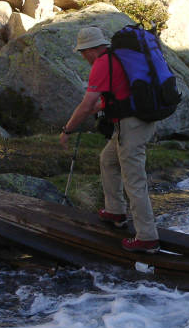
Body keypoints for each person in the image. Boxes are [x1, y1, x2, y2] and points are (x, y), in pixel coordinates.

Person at [60, 26, 160, 254]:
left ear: (91, 50)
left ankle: (147, 237)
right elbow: (122, 92)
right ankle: (115, 210)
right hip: (136, 121)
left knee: (133, 180)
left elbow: (86, 105)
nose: (83, 57)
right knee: (108, 159)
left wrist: (67, 130)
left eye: (83, 53)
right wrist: (101, 106)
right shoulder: (118, 59)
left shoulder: (103, 64)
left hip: (131, 125)